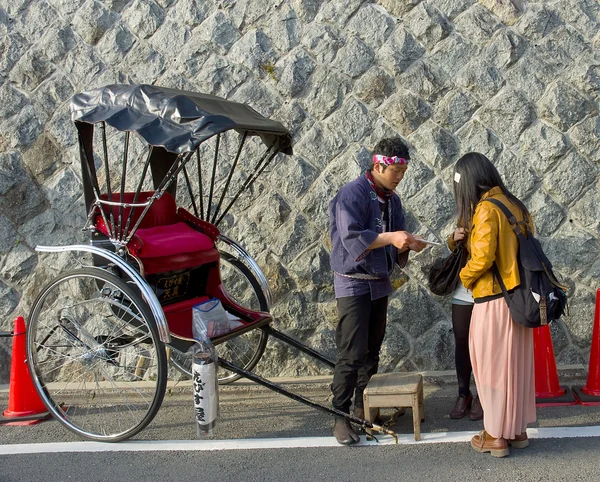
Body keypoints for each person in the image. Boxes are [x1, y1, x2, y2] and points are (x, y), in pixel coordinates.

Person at [328, 137, 427, 445]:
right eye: (395, 169)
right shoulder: (352, 193)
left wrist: (409, 243)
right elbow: (351, 237)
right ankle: (340, 415)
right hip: (353, 281)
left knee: (372, 350)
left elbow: (395, 245)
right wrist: (393, 237)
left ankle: (363, 408)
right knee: (352, 352)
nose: (399, 176)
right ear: (378, 164)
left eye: (403, 170)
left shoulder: (393, 200)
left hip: (379, 281)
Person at [454, 152, 536, 457]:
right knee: (514, 366)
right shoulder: (515, 204)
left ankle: (494, 436)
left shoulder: (486, 209)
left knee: (489, 368)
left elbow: (483, 258)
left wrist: (464, 275)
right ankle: (516, 431)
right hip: (517, 300)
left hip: (492, 300)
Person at [447, 228, 482, 421]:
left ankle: (483, 396)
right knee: (461, 340)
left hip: (487, 289)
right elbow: (454, 248)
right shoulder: (465, 214)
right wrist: (453, 239)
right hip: (463, 289)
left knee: (484, 346)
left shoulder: (491, 210)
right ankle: (463, 394)